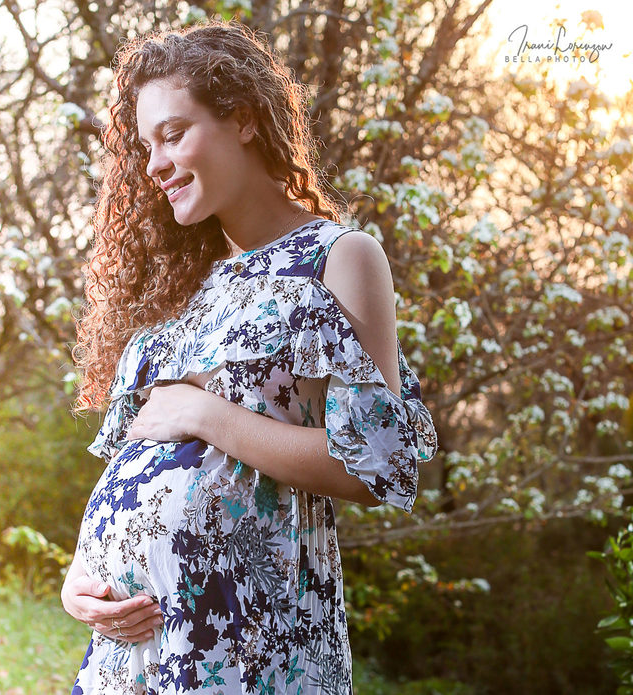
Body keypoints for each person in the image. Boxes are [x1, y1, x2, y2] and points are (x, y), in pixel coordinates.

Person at [64, 20, 438, 695]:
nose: (154, 164)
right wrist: (81, 581)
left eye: (173, 134)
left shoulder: (337, 258)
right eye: (147, 146)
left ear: (241, 119)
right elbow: (135, 463)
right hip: (132, 659)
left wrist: (206, 412)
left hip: (252, 652)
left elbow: (375, 462)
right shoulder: (180, 284)